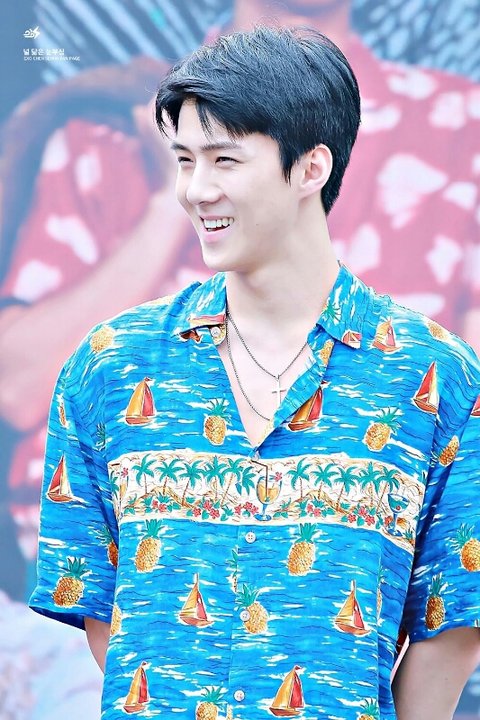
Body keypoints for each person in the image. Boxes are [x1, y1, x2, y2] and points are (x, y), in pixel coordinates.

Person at [29, 25, 480, 719]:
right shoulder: (111, 365)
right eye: (184, 160)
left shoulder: (435, 376)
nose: (195, 190)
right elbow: (102, 606)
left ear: (311, 168)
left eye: (224, 160)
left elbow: (452, 621)